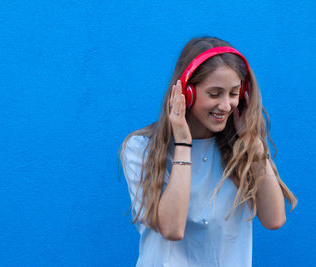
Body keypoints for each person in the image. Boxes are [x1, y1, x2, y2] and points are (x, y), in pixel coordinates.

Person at [120, 36, 297, 266]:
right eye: (214, 94)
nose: (225, 106)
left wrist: (252, 143)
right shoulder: (140, 148)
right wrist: (183, 145)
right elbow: (173, 229)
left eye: (233, 94)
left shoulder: (241, 147)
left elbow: (274, 219)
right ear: (186, 92)